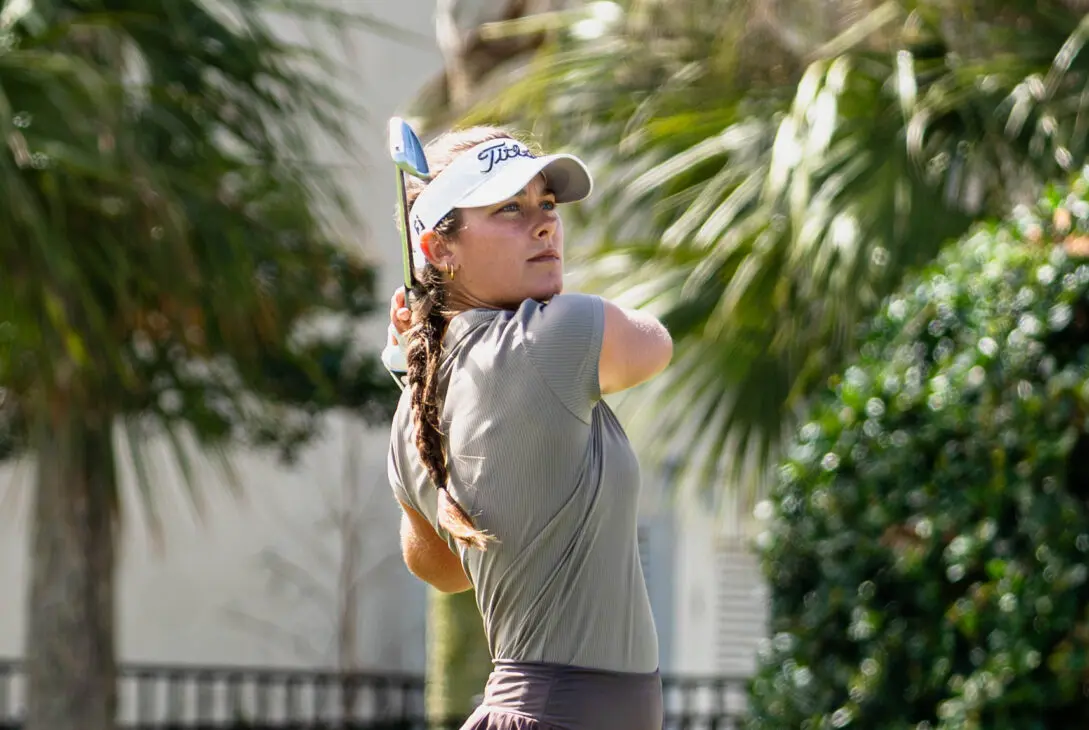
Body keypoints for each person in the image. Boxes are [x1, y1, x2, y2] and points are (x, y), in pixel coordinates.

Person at [384, 125, 673, 730]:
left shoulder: (414, 407)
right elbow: (656, 344)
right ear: (438, 249)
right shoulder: (555, 333)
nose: (544, 224)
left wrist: (416, 364)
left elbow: (442, 570)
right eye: (509, 208)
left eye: (546, 204)